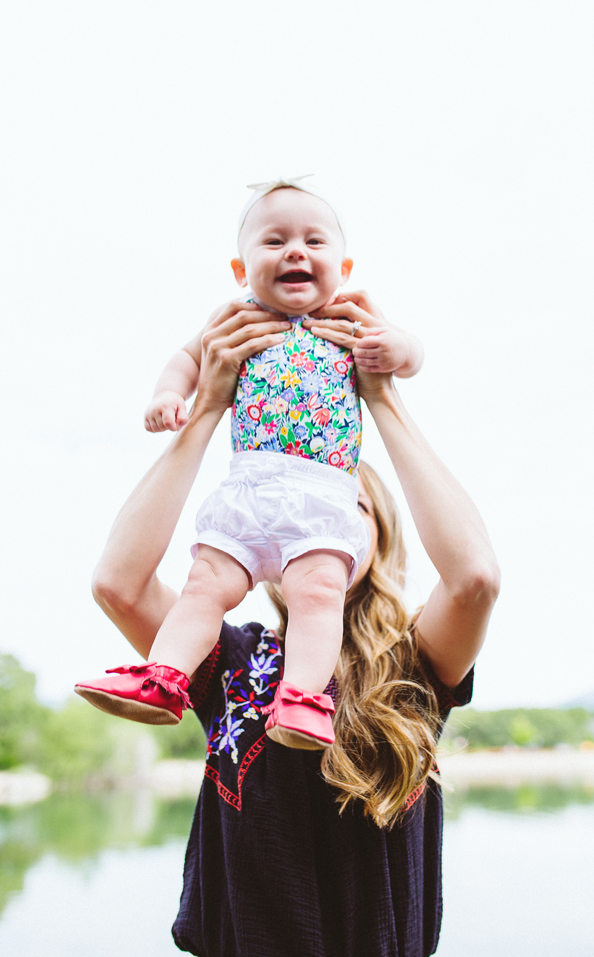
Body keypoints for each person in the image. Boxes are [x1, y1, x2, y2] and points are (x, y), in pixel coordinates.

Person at [88, 289, 500, 956]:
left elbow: (477, 576)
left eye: (350, 506)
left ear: (378, 537)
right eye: (297, 500)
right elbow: (117, 583)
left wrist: (384, 400)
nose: (311, 516)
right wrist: (206, 409)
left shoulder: (416, 658)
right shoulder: (231, 660)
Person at [76, 180, 423, 749]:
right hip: (249, 487)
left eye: (314, 241)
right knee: (202, 587)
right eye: (274, 241)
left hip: (318, 494)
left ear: (344, 265)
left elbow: (411, 352)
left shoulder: (350, 315)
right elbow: (187, 357)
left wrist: (396, 353)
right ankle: (165, 676)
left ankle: (303, 699)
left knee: (316, 593)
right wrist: (172, 395)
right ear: (241, 269)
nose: (295, 251)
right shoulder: (235, 317)